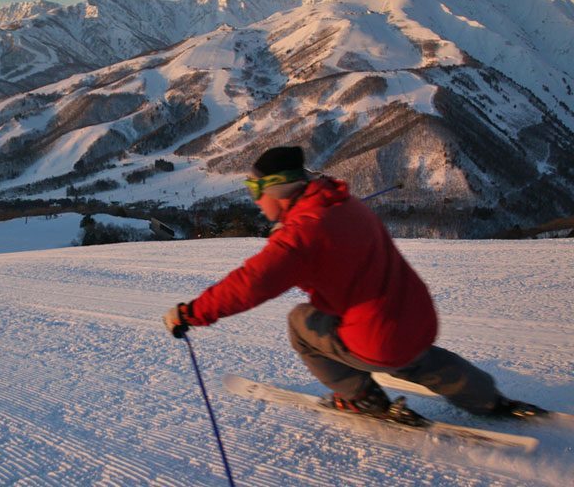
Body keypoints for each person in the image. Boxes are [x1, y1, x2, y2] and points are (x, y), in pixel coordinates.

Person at [164, 146, 545, 419]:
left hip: (379, 338)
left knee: (301, 323)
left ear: (277, 190)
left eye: (254, 191)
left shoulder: (301, 236)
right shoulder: (342, 202)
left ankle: (361, 397)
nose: (254, 202)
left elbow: (249, 284)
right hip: (419, 318)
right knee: (418, 358)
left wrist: (190, 313)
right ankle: (487, 398)